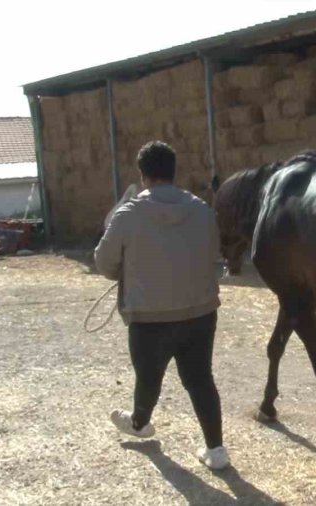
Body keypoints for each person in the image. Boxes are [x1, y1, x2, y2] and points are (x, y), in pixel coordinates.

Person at [94, 140, 228, 469]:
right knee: (200, 379)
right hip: (199, 312)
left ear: (143, 176)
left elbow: (104, 261)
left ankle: (139, 423)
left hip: (149, 317)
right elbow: (214, 258)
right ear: (173, 172)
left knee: (148, 377)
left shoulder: (128, 214)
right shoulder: (200, 209)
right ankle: (216, 450)